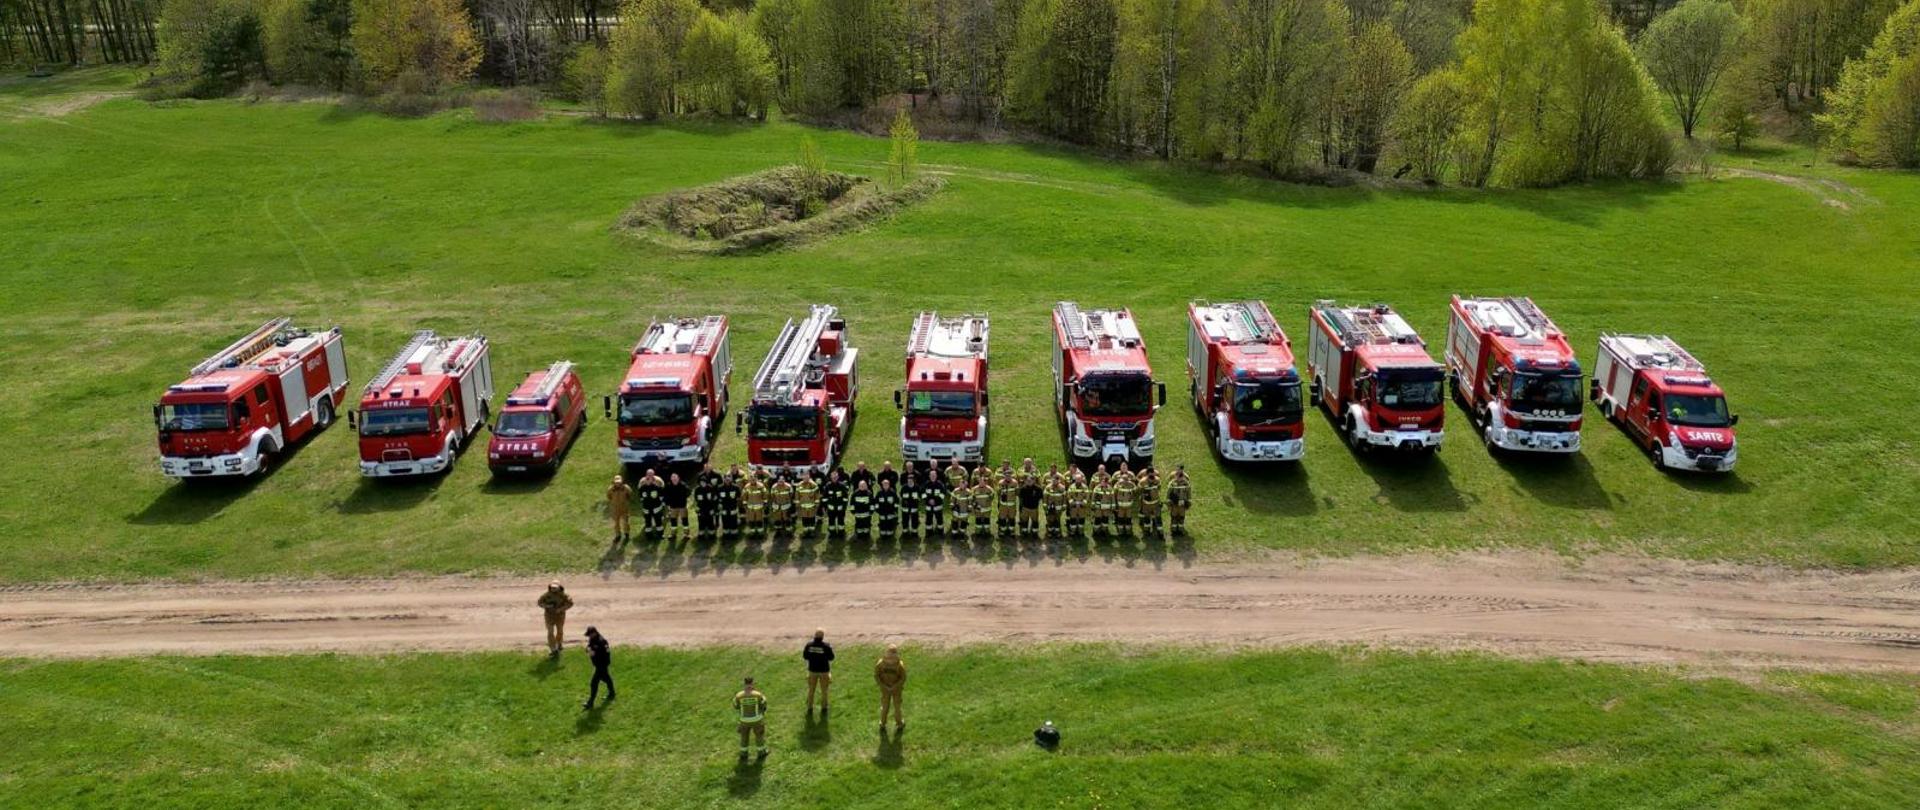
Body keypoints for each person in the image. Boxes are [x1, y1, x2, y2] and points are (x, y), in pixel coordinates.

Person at [734, 677, 769, 759]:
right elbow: (763, 703)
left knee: (744, 737)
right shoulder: (758, 694)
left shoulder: (739, 695)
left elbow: (735, 705)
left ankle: (743, 753)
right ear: (752, 684)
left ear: (744, 684)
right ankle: (761, 752)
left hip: (744, 720)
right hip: (757, 719)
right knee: (759, 736)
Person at [874, 644, 907, 729]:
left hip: (894, 689)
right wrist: (885, 686)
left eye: (893, 657)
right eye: (889, 657)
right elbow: (877, 676)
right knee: (888, 707)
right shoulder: (881, 664)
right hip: (888, 689)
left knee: (895, 707)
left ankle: (893, 723)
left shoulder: (899, 665)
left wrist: (891, 687)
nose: (891, 660)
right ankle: (885, 722)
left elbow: (903, 678)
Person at [803, 629, 835, 714]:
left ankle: (810, 707)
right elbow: (831, 657)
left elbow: (805, 656)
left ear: (815, 635)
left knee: (811, 690)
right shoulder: (826, 646)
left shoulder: (809, 645)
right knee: (824, 690)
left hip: (812, 671)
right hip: (824, 671)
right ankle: (824, 708)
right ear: (823, 637)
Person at [537, 581, 573, 657]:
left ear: (559, 587)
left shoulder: (564, 595)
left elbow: (570, 603)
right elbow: (539, 603)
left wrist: (561, 609)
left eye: (555, 588)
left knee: (560, 631)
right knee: (550, 632)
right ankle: (553, 649)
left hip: (560, 616)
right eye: (552, 587)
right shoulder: (546, 595)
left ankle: (559, 644)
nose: (553, 589)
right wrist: (547, 606)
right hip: (549, 616)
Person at [583, 626, 614, 710]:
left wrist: (594, 653)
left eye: (590, 635)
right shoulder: (593, 640)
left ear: (594, 633)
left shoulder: (601, 641)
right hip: (598, 664)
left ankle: (590, 702)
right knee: (606, 678)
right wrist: (588, 650)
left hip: (602, 664)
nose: (589, 637)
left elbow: (606, 654)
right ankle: (612, 693)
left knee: (594, 683)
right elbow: (589, 647)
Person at [636, 469, 667, 541]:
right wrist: (643, 504)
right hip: (647, 508)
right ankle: (649, 535)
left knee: (658, 521)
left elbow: (662, 494)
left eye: (651, 477)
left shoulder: (657, 486)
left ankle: (660, 534)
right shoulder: (642, 487)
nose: (649, 479)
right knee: (648, 522)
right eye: (647, 478)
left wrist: (662, 504)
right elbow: (640, 496)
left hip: (656, 507)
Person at [694, 465, 721, 541]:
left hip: (711, 504)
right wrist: (697, 509)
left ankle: (714, 529)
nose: (703, 483)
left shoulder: (715, 477)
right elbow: (696, 500)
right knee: (701, 521)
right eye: (705, 468)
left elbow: (719, 486)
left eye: (708, 468)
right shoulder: (697, 489)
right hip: (701, 508)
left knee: (712, 518)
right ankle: (701, 535)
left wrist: (717, 498)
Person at [1112, 464, 1138, 536]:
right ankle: (1120, 532)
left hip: (1129, 505)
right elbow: (1114, 493)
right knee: (1120, 518)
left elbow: (1135, 492)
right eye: (1123, 479)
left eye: (1126, 479)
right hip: (1120, 505)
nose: (1125, 481)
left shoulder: (1131, 484)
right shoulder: (1117, 485)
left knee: (1128, 518)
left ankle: (1128, 532)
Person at [822, 470, 849, 536]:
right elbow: (824, 498)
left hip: (840, 508)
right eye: (833, 477)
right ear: (831, 477)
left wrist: (844, 507)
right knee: (831, 521)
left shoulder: (842, 485)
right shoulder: (828, 486)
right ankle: (832, 533)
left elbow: (845, 498)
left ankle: (841, 532)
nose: (834, 478)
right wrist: (825, 508)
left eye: (835, 477)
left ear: (838, 477)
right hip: (831, 508)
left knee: (841, 521)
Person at [664, 472, 691, 541]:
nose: (674, 479)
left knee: (684, 520)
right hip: (673, 506)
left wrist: (683, 498)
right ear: (671, 478)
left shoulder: (683, 485)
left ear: (678, 478)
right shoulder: (668, 486)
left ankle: (686, 534)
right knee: (673, 520)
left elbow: (689, 492)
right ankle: (673, 534)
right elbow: (665, 495)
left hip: (682, 506)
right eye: (672, 477)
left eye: (675, 477)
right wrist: (668, 504)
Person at [606, 475, 632, 543]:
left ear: (622, 482)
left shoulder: (626, 488)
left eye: (619, 482)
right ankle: (618, 535)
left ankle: (627, 534)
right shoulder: (610, 489)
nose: (618, 484)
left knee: (626, 522)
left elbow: (629, 494)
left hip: (624, 508)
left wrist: (625, 502)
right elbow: (609, 496)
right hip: (615, 509)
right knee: (616, 523)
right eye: (616, 482)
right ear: (614, 482)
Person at [1166, 465, 1192, 535]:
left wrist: (1189, 502)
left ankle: (1180, 530)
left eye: (1179, 470)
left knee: (1181, 516)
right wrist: (1168, 502)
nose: (1177, 471)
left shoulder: (1186, 481)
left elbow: (1188, 492)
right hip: (1174, 502)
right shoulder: (1172, 482)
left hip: (1182, 501)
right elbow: (1168, 491)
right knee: (1174, 516)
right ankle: (1174, 530)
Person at [970, 474, 997, 539]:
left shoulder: (990, 489)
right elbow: (971, 499)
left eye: (983, 481)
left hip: (987, 509)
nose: (981, 483)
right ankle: (978, 533)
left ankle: (987, 532)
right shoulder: (974, 489)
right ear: (978, 481)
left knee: (987, 521)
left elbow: (992, 498)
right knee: (978, 521)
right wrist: (975, 505)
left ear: (985, 482)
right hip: (978, 509)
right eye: (980, 481)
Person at [719, 468, 743, 540]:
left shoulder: (735, 487)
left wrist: (738, 507)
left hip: (733, 507)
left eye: (729, 478)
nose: (727, 479)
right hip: (724, 508)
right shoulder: (720, 488)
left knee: (733, 521)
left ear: (731, 479)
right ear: (723, 479)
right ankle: (726, 534)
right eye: (725, 478)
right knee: (725, 521)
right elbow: (718, 498)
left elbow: (739, 498)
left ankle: (734, 534)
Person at [795, 471, 821, 537]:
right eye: (804, 476)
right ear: (802, 477)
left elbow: (817, 495)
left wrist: (817, 504)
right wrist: (797, 505)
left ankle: (812, 532)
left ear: (809, 477)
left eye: (807, 476)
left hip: (812, 506)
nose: (805, 478)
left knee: (812, 519)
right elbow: (797, 496)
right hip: (803, 507)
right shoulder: (799, 485)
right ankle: (806, 532)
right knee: (804, 519)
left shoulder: (814, 485)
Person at [742, 471, 768, 537]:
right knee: (751, 521)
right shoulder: (746, 487)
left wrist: (765, 504)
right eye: (751, 479)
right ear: (749, 479)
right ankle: (752, 533)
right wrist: (745, 505)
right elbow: (744, 497)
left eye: (754, 478)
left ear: (756, 479)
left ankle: (760, 533)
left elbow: (765, 496)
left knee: (759, 521)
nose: (752, 480)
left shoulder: (761, 486)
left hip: (759, 508)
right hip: (750, 508)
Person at [898, 469, 923, 539]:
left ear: (914, 480)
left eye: (911, 479)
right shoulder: (904, 487)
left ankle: (914, 533)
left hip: (914, 508)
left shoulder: (917, 487)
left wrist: (917, 500)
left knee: (915, 521)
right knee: (905, 521)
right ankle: (905, 533)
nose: (910, 480)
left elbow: (920, 497)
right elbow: (900, 496)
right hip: (905, 508)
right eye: (909, 479)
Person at [1138, 467, 1162, 536]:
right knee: (1147, 518)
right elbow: (1139, 491)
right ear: (1147, 474)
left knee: (1158, 518)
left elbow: (1159, 488)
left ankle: (1160, 533)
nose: (1153, 475)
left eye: (1153, 473)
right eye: (1151, 474)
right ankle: (1147, 532)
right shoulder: (1142, 482)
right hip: (1146, 504)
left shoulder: (1157, 480)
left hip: (1155, 503)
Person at [769, 473, 795, 539]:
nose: (781, 481)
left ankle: (789, 532)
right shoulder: (774, 487)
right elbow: (772, 496)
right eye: (779, 480)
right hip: (776, 506)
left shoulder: (788, 486)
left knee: (787, 520)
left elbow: (791, 495)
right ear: (777, 480)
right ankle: (778, 532)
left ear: (784, 480)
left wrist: (787, 502)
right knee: (777, 520)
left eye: (782, 480)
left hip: (786, 506)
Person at [1043, 470, 1067, 539]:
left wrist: (1064, 505)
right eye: (1053, 480)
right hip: (1050, 507)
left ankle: (1057, 532)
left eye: (1056, 480)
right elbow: (1045, 497)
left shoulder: (1062, 488)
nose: (1054, 482)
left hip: (1058, 508)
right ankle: (1050, 532)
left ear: (1058, 480)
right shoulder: (1048, 487)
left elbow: (1064, 497)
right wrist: (1045, 505)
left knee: (1057, 520)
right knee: (1050, 519)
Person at [1017, 474, 1043, 538]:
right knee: (1024, 521)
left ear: (1034, 481)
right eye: (1028, 480)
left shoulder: (1038, 489)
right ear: (1026, 481)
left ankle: (1034, 533)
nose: (1029, 481)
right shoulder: (1023, 488)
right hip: (1025, 508)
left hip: (1034, 509)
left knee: (1035, 521)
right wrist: (1021, 507)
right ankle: (1024, 533)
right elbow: (1020, 498)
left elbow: (1040, 498)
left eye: (1031, 480)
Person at [922, 470, 947, 536]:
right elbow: (922, 493)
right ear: (929, 476)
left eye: (934, 475)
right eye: (931, 475)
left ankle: (941, 532)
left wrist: (935, 501)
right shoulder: (926, 484)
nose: (933, 477)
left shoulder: (940, 484)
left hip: (938, 506)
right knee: (928, 520)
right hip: (928, 506)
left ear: (936, 476)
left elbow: (943, 494)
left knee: (939, 520)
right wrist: (928, 500)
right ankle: (929, 532)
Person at [949, 467, 972, 537]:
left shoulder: (968, 492)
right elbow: (952, 499)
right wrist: (952, 506)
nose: (962, 486)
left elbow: (970, 501)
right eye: (961, 484)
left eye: (963, 485)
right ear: (959, 484)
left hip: (964, 510)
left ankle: (962, 533)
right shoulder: (955, 491)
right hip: (956, 509)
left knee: (963, 522)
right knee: (955, 521)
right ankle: (954, 533)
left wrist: (969, 508)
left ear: (966, 485)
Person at [996, 467, 1019, 537]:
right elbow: (998, 493)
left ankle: (1011, 531)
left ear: (1011, 475)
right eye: (1006, 475)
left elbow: (1017, 493)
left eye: (1009, 475)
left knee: (1012, 518)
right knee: (1002, 518)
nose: (1008, 477)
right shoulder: (1000, 483)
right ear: (1004, 475)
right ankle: (1002, 531)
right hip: (1003, 505)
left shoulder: (1015, 483)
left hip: (1012, 504)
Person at [1091, 467, 1114, 536]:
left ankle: (1104, 531)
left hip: (1106, 507)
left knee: (1105, 519)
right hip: (1098, 507)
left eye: (1105, 482)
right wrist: (1093, 505)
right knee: (1097, 519)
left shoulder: (1110, 489)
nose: (1104, 483)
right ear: (1101, 481)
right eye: (1103, 481)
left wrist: (1112, 506)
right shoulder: (1096, 488)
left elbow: (1112, 498)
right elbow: (1093, 498)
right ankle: (1095, 531)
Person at [1066, 470, 1090, 537]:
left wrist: (1083, 503)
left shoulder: (1085, 487)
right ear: (1075, 479)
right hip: (1073, 506)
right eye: (1077, 479)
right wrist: (1073, 503)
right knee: (1073, 519)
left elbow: (1087, 496)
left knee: (1081, 519)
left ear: (1081, 479)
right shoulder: (1071, 487)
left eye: (1079, 479)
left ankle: (1081, 532)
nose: (1078, 480)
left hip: (1082, 506)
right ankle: (1073, 532)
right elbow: (1069, 496)